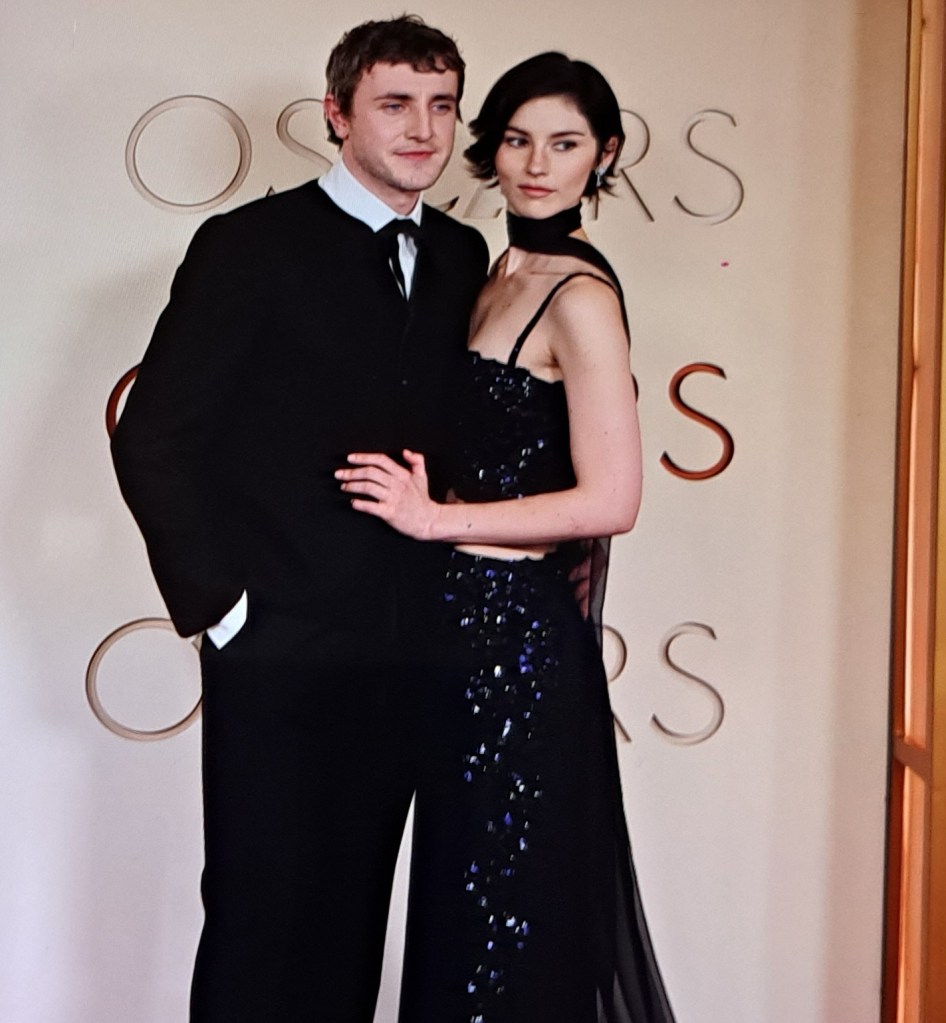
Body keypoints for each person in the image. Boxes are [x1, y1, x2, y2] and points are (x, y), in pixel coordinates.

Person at [110, 16, 489, 1022]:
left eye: (441, 106)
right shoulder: (248, 246)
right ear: (337, 114)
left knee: (353, 919)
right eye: (395, 104)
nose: (423, 129)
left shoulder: (463, 253)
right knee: (258, 915)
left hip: (411, 645)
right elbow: (157, 435)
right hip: (277, 642)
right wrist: (227, 609)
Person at [336, 52, 677, 1022]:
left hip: (517, 657)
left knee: (507, 929)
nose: (536, 164)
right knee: (465, 917)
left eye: (564, 143)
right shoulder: (495, 273)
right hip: (458, 642)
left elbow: (612, 499)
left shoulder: (580, 298)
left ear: (603, 155)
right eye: (519, 140)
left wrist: (433, 518)